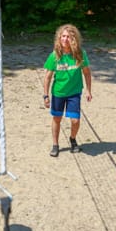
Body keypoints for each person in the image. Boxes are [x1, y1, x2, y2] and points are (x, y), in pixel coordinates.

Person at [43, 24, 93, 157]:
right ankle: (55, 145)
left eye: (69, 37)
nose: (65, 39)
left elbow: (87, 73)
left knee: (75, 120)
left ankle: (73, 139)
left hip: (74, 93)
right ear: (59, 38)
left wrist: (88, 90)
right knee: (57, 118)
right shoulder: (55, 56)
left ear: (74, 39)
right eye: (63, 36)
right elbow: (47, 77)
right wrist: (45, 96)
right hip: (58, 93)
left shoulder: (80, 54)